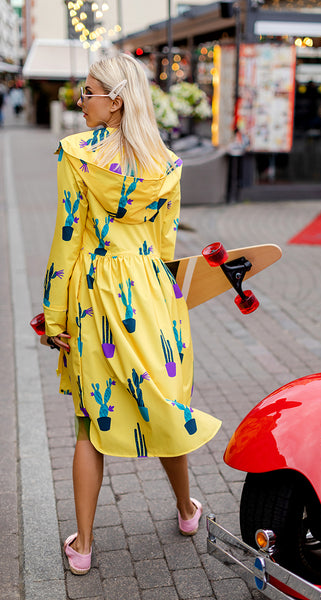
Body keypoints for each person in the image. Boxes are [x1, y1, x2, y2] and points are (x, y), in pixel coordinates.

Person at [42, 53, 221, 576]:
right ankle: (187, 512)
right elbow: (166, 242)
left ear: (115, 99)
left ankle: (85, 546)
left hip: (96, 296)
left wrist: (53, 314)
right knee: (165, 403)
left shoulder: (76, 155)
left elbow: (66, 240)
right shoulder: (164, 162)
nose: (80, 101)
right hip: (152, 295)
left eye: (88, 92)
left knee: (87, 421)